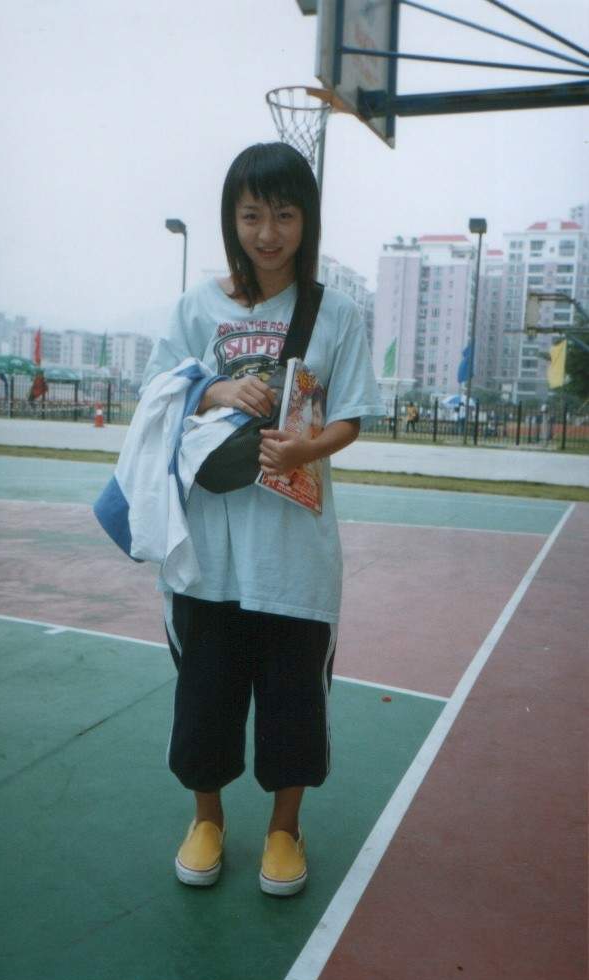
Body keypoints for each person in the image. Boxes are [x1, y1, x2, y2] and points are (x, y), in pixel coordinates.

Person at [141, 142, 379, 896]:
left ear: (306, 220)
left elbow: (352, 415)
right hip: (207, 548)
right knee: (204, 698)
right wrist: (215, 391)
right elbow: (156, 393)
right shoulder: (195, 308)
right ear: (231, 219)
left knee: (292, 703)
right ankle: (206, 819)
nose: (267, 233)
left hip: (292, 551)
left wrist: (307, 447)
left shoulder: (336, 312)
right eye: (251, 216)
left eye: (283, 215)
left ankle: (284, 830)